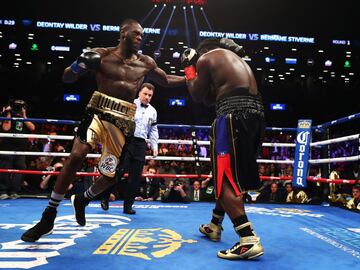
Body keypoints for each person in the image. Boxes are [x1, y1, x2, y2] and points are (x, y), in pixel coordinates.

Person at [21, 18, 185, 242]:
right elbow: (67, 77)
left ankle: (83, 199)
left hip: (123, 121)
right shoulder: (101, 55)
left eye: (141, 34)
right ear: (123, 32)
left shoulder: (146, 62)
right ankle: (48, 215)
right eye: (136, 33)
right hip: (97, 112)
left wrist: (191, 78)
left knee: (110, 176)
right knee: (76, 155)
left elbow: (165, 80)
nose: (140, 37)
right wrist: (80, 65)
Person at [181, 38, 265, 259]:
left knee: (223, 178)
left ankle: (248, 239)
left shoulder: (207, 58)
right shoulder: (233, 61)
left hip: (232, 116)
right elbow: (210, 98)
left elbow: (197, 95)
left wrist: (189, 67)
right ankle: (214, 225)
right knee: (228, 174)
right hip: (255, 116)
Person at [100, 82, 159, 214]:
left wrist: (155, 146)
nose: (147, 97)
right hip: (126, 141)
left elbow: (153, 130)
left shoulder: (153, 111)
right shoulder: (129, 104)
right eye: (145, 94)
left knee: (135, 177)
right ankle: (105, 196)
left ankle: (128, 206)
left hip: (141, 144)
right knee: (118, 172)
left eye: (150, 95)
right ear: (139, 92)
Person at [0, 99, 35, 200]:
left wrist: (24, 115)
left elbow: (32, 127)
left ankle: (14, 191)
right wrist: (8, 113)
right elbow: (6, 128)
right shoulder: (6, 116)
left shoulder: (23, 118)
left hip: (20, 148)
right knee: (5, 169)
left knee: (20, 169)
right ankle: (2, 191)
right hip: (7, 148)